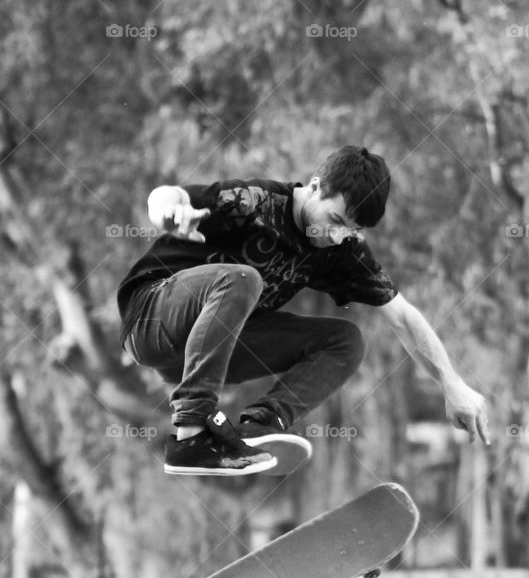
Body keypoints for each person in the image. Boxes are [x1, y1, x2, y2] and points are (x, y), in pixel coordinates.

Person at [116, 145, 489, 477]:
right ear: (314, 187)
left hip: (206, 350)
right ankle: (190, 438)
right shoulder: (253, 202)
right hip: (151, 318)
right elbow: (167, 195)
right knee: (243, 279)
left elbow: (404, 316)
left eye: (352, 231)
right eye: (336, 221)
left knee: (344, 340)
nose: (338, 236)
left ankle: (260, 426)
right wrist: (167, 211)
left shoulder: (341, 250)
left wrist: (450, 383)